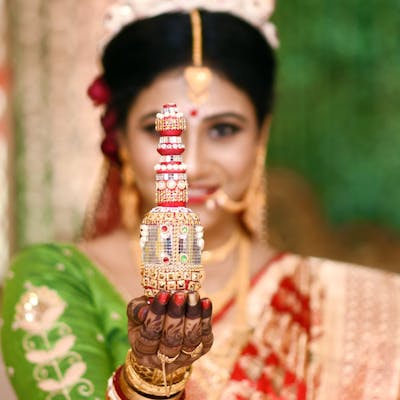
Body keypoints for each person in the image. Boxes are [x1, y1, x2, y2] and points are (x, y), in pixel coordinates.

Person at [2, 3, 400, 400]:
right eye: (160, 131)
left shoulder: (352, 305)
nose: (190, 164)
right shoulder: (58, 279)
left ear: (261, 134)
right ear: (120, 139)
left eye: (223, 129)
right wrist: (149, 382)